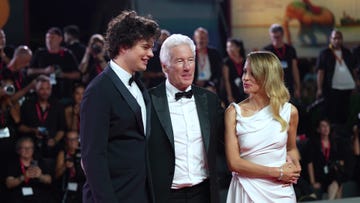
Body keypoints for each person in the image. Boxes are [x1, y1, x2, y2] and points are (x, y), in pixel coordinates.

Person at [80, 10, 160, 203]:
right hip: (114, 196)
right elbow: (92, 157)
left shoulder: (140, 86)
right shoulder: (98, 90)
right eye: (145, 47)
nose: (151, 53)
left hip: (140, 194)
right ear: (124, 46)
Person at [148, 34, 224, 203]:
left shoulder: (210, 100)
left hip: (204, 193)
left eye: (190, 60)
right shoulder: (148, 102)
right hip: (166, 196)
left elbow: (227, 141)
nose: (187, 67)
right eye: (180, 61)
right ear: (164, 66)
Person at [225, 51, 301, 202]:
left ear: (268, 77)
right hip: (246, 188)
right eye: (245, 71)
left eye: (253, 74)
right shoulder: (233, 112)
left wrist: (296, 165)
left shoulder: (289, 111)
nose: (245, 78)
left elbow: (291, 148)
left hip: (281, 191)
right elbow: (234, 163)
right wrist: (277, 172)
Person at [316, 29, 358, 125]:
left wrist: (356, 82)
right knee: (332, 112)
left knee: (345, 112)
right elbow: (320, 72)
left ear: (342, 39)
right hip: (331, 88)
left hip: (347, 88)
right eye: (334, 38)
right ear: (330, 39)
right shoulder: (325, 53)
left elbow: (353, 69)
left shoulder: (347, 53)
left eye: (339, 38)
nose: (337, 40)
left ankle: (343, 132)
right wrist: (319, 88)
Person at [27, 27, 80, 102]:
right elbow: (29, 71)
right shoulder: (40, 53)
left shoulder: (67, 54)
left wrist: (63, 74)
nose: (49, 40)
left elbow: (77, 74)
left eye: (52, 37)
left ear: (60, 39)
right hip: (41, 94)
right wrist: (44, 71)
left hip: (62, 94)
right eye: (47, 38)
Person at [19, 75, 66, 159]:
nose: (45, 92)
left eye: (48, 89)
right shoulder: (27, 105)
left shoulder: (58, 105)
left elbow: (62, 129)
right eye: (42, 89)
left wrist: (54, 141)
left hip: (51, 147)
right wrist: (33, 130)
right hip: (31, 146)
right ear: (36, 89)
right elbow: (20, 127)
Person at [5, 136, 54, 203]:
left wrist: (40, 176)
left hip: (38, 197)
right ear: (18, 150)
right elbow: (9, 184)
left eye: (30, 148)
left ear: (33, 150)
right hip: (19, 197)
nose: (27, 150)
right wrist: (23, 177)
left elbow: (49, 180)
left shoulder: (40, 162)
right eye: (24, 148)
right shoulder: (13, 163)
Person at [263, 24, 301, 100]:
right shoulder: (266, 50)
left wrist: (298, 87)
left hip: (288, 83)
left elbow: (295, 69)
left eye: (278, 37)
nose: (276, 39)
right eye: (274, 37)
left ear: (282, 35)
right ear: (271, 36)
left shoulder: (290, 49)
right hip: (272, 86)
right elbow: (264, 71)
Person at [55, 131, 85, 203]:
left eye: (74, 139)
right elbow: (56, 175)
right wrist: (65, 166)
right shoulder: (63, 154)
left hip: (81, 185)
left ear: (78, 140)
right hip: (67, 185)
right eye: (70, 139)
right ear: (66, 141)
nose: (72, 142)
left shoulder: (84, 153)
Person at [222, 38, 247, 105]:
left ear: (238, 48)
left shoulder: (246, 61)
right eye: (227, 47)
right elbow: (226, 81)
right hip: (232, 92)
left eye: (231, 46)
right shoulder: (226, 62)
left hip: (245, 91)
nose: (229, 49)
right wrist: (230, 96)